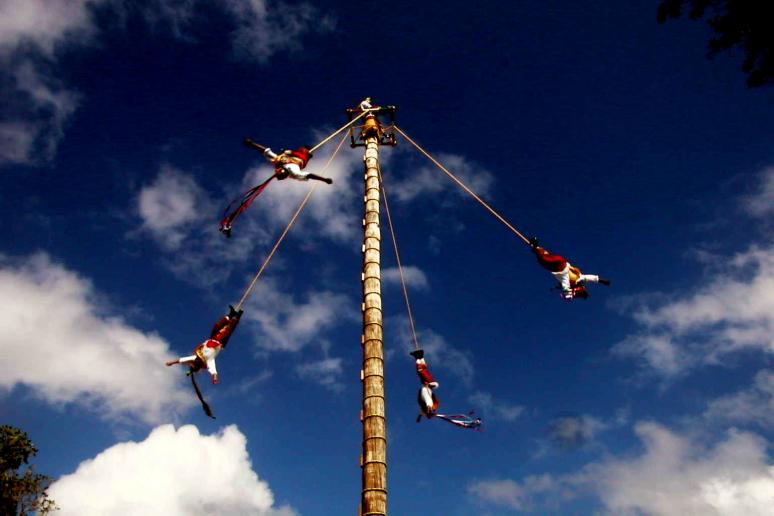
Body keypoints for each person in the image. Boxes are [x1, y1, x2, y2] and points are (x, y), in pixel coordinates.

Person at [166, 305, 243, 384]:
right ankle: (237, 316)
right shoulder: (208, 361)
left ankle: (231, 314)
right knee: (228, 330)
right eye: (194, 363)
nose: (194, 360)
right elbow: (213, 371)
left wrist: (171, 363)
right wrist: (215, 378)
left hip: (212, 338)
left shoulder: (196, 357)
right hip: (219, 343)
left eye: (193, 361)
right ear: (198, 365)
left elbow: (181, 360)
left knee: (216, 326)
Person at [530, 238, 610, 300]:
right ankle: (536, 247)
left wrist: (568, 294)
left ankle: (536, 247)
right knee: (546, 259)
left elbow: (566, 288)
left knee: (544, 260)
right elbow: (591, 278)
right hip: (562, 265)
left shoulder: (568, 283)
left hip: (557, 269)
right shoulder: (580, 278)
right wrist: (602, 281)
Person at [243, 139, 332, 184]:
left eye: (279, 172)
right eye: (282, 173)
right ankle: (307, 151)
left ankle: (305, 151)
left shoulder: (278, 161)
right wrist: (324, 180)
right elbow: (309, 175)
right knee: (305, 152)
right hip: (299, 159)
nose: (280, 171)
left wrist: (252, 144)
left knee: (277, 155)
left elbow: (266, 151)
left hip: (293, 156)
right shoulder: (294, 172)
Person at [410, 348, 440, 422]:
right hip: (429, 383)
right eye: (430, 411)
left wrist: (419, 418)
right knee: (421, 371)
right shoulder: (431, 405)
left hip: (425, 385)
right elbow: (434, 388)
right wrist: (429, 385)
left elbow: (421, 413)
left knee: (420, 370)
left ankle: (418, 357)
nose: (429, 411)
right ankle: (420, 356)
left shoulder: (425, 408)